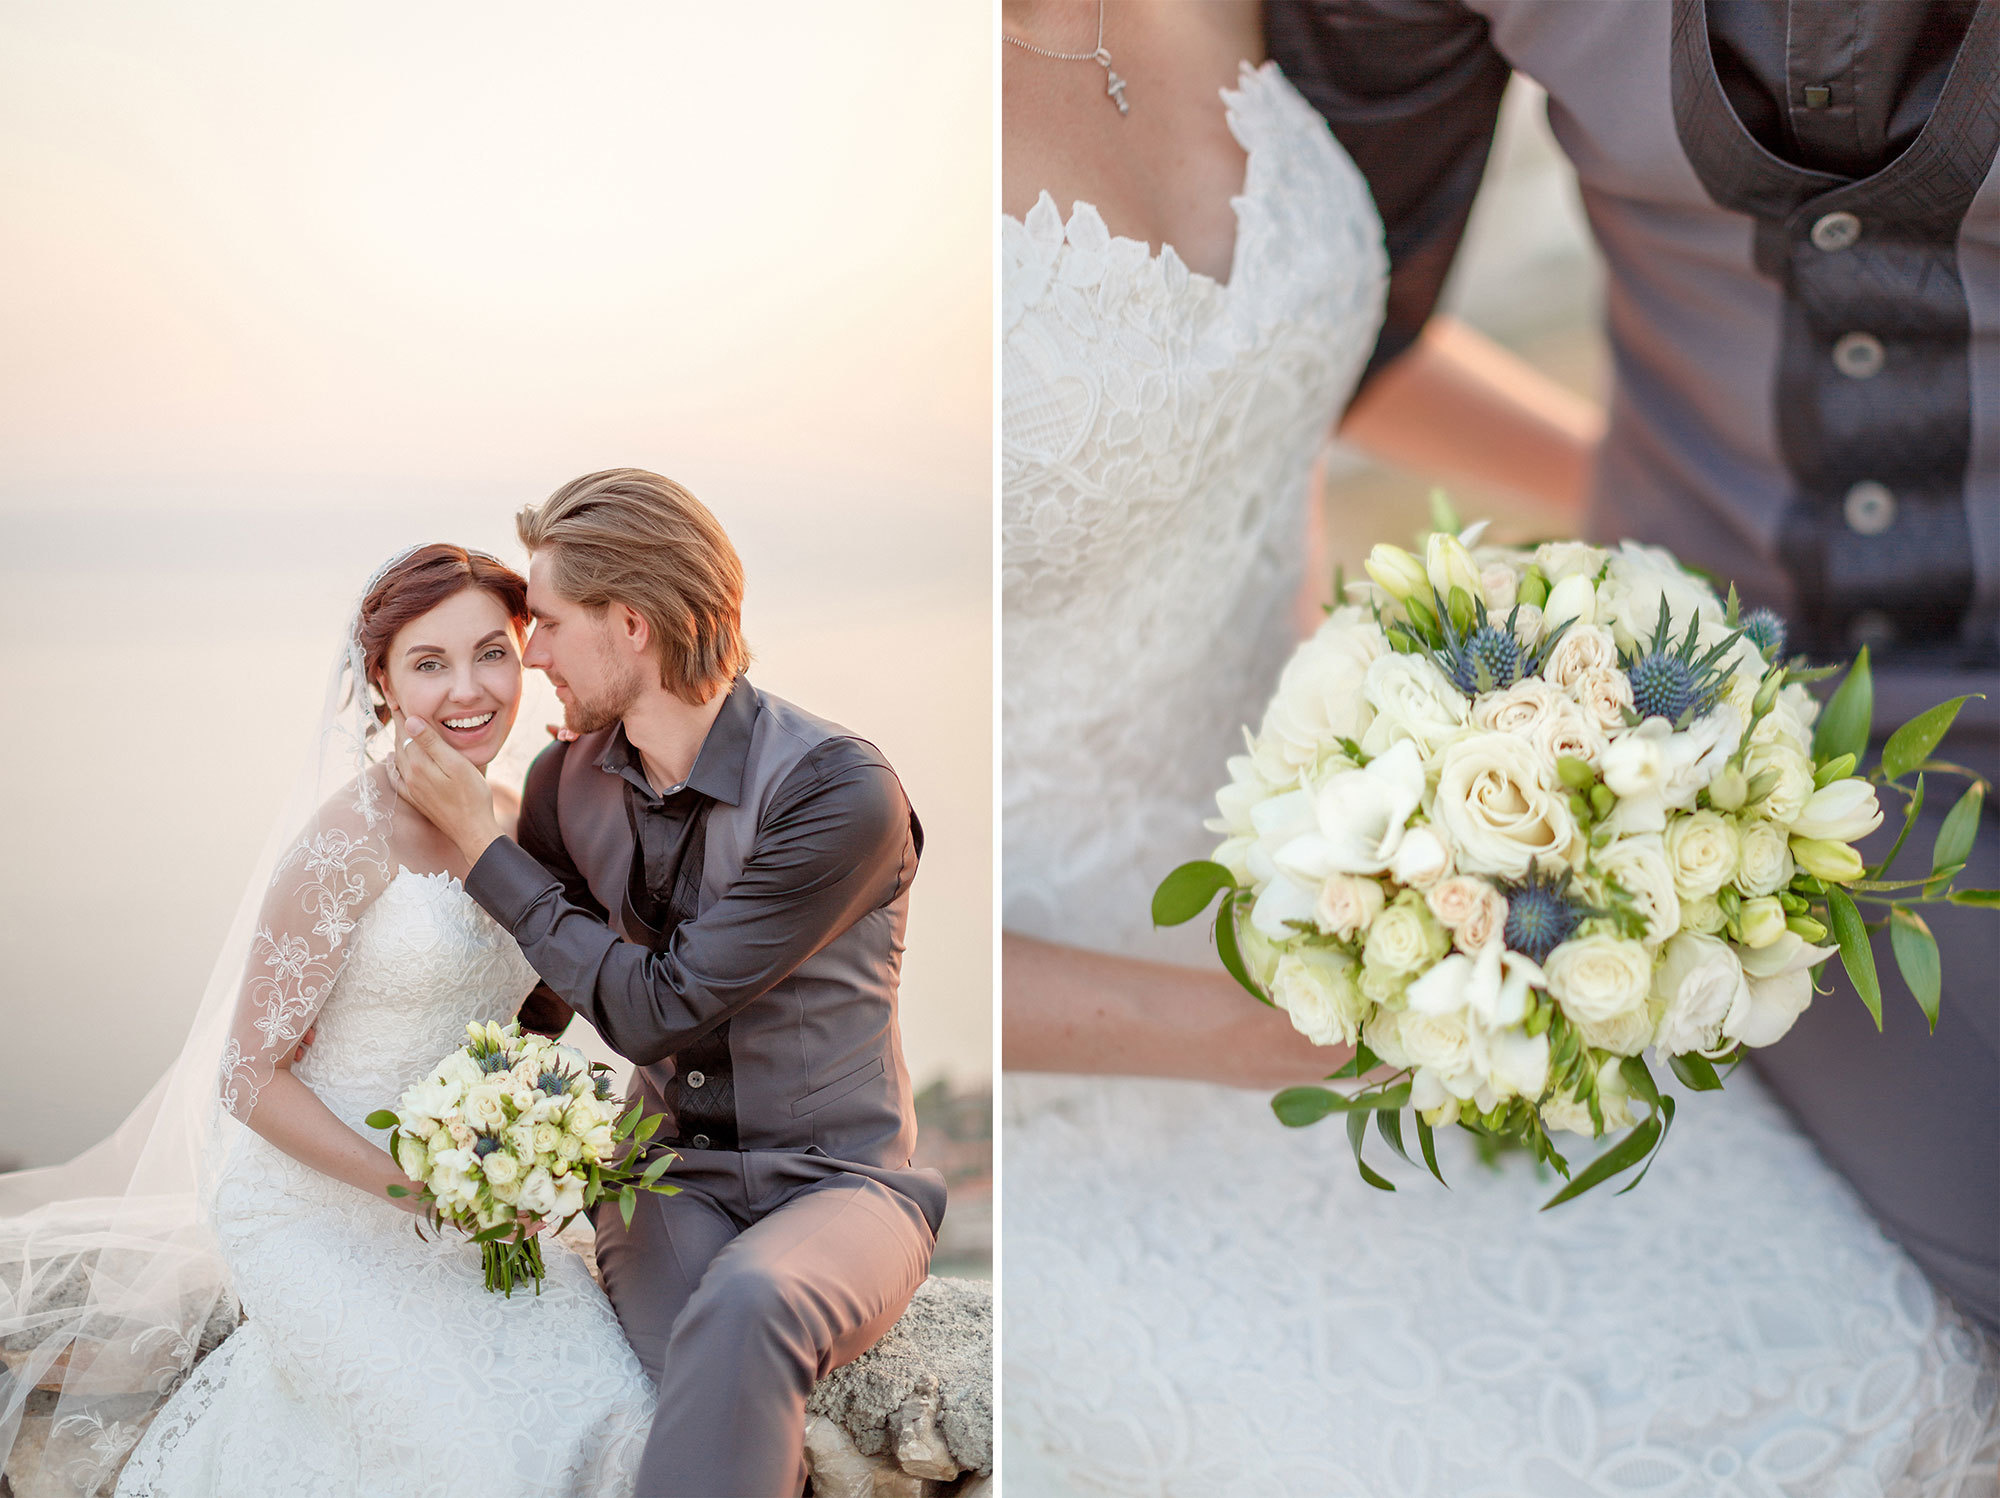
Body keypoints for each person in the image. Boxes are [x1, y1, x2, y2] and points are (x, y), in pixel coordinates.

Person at [1000, 1, 1999, 1492]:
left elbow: (1297, 360)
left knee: (1877, 1346)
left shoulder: (1241, 8)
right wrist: (1302, 1017)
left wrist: (1610, 601)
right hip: (1090, 1041)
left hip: (1401, 892)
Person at [389, 469, 943, 1498]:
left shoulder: (838, 791)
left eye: (547, 622)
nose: (532, 652)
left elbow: (653, 1010)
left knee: (749, 1308)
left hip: (844, 1185)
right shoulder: (564, 782)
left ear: (631, 624)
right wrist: (474, 1138)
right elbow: (546, 997)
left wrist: (480, 843)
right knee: (709, 1353)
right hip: (660, 1187)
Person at [107, 545, 656, 1496]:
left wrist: (524, 1141)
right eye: (428, 663)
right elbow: (247, 1074)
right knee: (457, 1458)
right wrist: (417, 1189)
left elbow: (527, 1015)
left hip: (474, 1208)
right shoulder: (343, 843)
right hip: (316, 1213)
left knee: (620, 1417)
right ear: (382, 682)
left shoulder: (518, 818)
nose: (468, 689)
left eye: (491, 652)